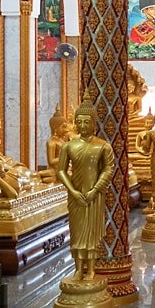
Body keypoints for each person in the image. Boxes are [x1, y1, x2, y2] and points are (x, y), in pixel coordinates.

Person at [57, 97, 116, 281]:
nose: (83, 125)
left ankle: (90, 269)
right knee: (77, 232)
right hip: (76, 195)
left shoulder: (102, 146)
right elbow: (60, 170)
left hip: (94, 195)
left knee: (92, 233)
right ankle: (78, 268)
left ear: (94, 123)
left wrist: (95, 189)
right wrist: (73, 191)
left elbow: (109, 168)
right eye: (79, 122)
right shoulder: (69, 146)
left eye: (86, 122)